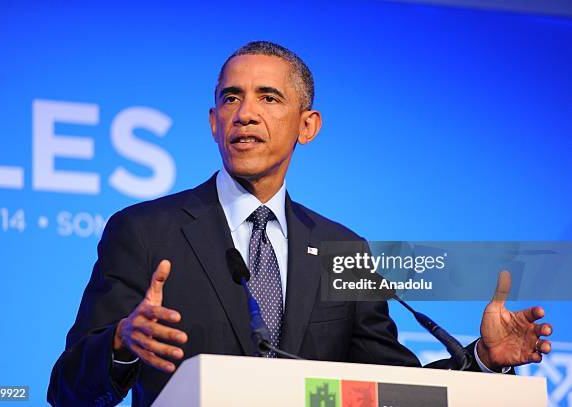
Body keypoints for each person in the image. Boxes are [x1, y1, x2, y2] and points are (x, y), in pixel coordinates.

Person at [47, 41, 553, 406]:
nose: (245, 113)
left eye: (268, 97)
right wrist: (120, 343)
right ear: (213, 122)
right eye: (230, 98)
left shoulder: (340, 248)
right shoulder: (145, 230)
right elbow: (67, 390)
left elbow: (395, 389)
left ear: (307, 126)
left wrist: (484, 359)